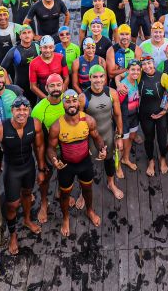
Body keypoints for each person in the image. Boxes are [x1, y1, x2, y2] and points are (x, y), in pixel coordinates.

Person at [0, 96, 40, 256]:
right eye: (18, 109)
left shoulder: (35, 123)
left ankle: (26, 220)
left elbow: (39, 146)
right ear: (11, 111)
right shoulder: (0, 127)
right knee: (12, 205)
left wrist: (42, 168)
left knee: (27, 194)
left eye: (25, 109)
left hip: (29, 166)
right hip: (12, 170)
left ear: (29, 111)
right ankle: (13, 235)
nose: (22, 113)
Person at [47, 90, 107, 237]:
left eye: (74, 101)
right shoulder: (57, 126)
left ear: (78, 103)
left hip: (85, 162)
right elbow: (50, 148)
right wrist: (54, 160)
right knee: (65, 195)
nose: (72, 104)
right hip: (66, 165)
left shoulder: (88, 120)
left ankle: (90, 210)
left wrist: (102, 149)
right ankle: (66, 218)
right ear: (63, 104)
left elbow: (97, 137)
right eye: (68, 101)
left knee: (87, 190)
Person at [79, 65, 125, 195]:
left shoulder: (112, 93)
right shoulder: (83, 97)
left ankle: (111, 184)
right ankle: (84, 192)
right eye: (95, 77)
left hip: (108, 133)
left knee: (109, 160)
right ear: (90, 78)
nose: (98, 80)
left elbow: (117, 115)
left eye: (101, 76)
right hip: (90, 137)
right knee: (87, 164)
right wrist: (82, 142)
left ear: (105, 78)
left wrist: (119, 136)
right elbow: (79, 122)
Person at [30, 73, 66, 221]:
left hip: (66, 149)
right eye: (52, 85)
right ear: (46, 88)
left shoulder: (69, 101)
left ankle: (60, 192)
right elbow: (36, 143)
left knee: (65, 175)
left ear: (63, 85)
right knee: (45, 179)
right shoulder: (39, 110)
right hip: (47, 150)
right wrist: (41, 165)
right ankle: (44, 203)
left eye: (58, 85)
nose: (56, 88)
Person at [136, 55, 168, 176]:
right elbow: (124, 76)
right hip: (145, 113)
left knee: (162, 139)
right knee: (149, 138)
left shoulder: (163, 76)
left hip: (161, 113)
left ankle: (163, 158)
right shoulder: (139, 75)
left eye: (149, 64)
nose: (147, 67)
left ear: (154, 63)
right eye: (144, 64)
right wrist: (118, 83)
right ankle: (150, 160)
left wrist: (164, 110)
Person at [1, 24, 40, 106]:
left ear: (33, 35)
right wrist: (10, 86)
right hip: (21, 87)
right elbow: (2, 69)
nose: (27, 35)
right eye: (24, 33)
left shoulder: (37, 45)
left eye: (29, 32)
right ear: (20, 36)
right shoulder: (14, 51)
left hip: (37, 85)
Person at [115, 59, 142, 170]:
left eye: (138, 70)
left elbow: (119, 76)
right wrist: (117, 125)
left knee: (131, 137)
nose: (135, 72)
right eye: (132, 70)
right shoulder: (123, 87)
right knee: (120, 145)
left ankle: (125, 159)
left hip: (134, 115)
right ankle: (117, 166)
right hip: (124, 118)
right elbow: (116, 109)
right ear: (128, 70)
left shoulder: (136, 79)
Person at [29, 35, 69, 100]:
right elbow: (33, 86)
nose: (48, 50)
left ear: (54, 47)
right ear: (40, 48)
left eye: (50, 47)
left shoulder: (61, 58)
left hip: (60, 92)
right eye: (45, 47)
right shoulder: (33, 63)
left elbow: (66, 78)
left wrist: (61, 94)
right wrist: (47, 99)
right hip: (43, 94)